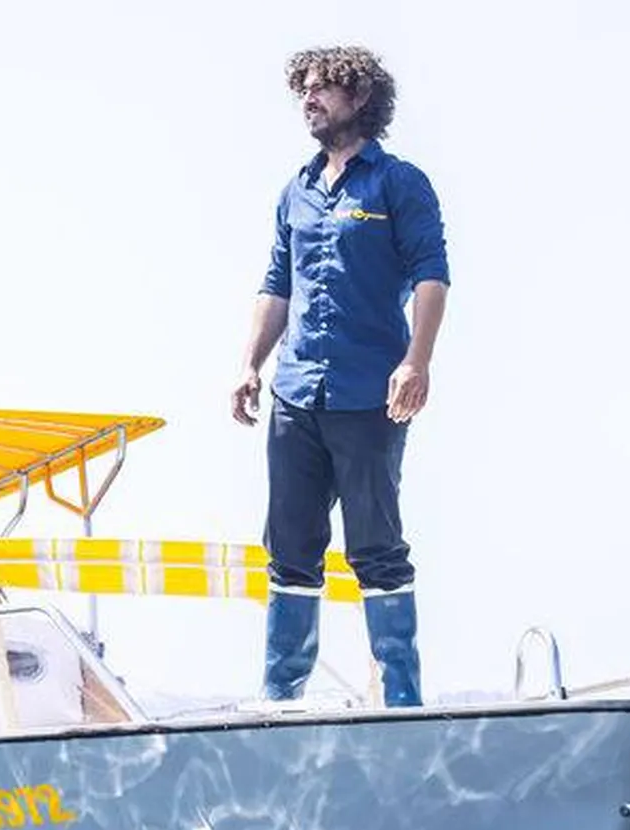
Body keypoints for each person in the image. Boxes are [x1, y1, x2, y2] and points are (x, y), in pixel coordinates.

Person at [231, 45, 450, 709]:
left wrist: (418, 359)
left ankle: (402, 699)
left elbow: (431, 274)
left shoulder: (398, 183)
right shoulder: (295, 189)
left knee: (376, 546)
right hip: (296, 393)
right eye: (305, 88)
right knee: (290, 548)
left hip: (368, 393)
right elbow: (277, 284)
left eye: (324, 89)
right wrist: (249, 364)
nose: (310, 99)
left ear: (361, 100)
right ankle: (281, 697)